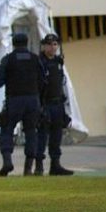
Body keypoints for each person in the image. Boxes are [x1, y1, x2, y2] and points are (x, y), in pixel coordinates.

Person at [0, 33, 46, 177]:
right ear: (27, 42)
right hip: (33, 100)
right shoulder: (35, 59)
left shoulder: (8, 59)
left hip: (14, 100)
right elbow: (43, 81)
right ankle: (28, 168)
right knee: (31, 132)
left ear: (13, 43)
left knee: (7, 130)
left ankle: (7, 161)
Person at [36, 34, 75, 176]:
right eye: (50, 44)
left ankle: (55, 164)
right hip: (45, 104)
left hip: (58, 103)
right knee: (42, 136)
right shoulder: (40, 62)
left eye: (55, 44)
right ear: (44, 46)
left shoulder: (59, 62)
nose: (53, 47)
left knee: (56, 136)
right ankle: (39, 165)